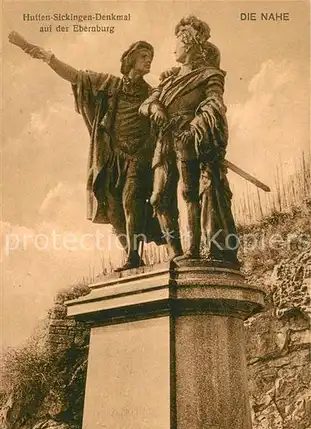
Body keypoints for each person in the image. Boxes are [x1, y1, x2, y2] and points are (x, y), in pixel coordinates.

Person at [8, 31, 163, 270]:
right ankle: (132, 255)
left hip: (138, 157)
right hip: (112, 157)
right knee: (113, 210)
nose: (148, 60)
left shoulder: (151, 93)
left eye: (150, 56)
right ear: (130, 60)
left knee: (131, 201)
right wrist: (35, 50)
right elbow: (76, 77)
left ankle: (133, 256)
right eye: (143, 56)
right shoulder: (111, 84)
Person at [139, 15, 238, 264]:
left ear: (189, 43)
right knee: (159, 198)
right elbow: (147, 103)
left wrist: (195, 127)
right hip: (165, 139)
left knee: (189, 193)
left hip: (188, 139)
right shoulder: (169, 79)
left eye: (178, 44)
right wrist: (156, 109)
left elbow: (214, 105)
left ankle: (193, 251)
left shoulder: (210, 75)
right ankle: (176, 253)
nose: (174, 49)